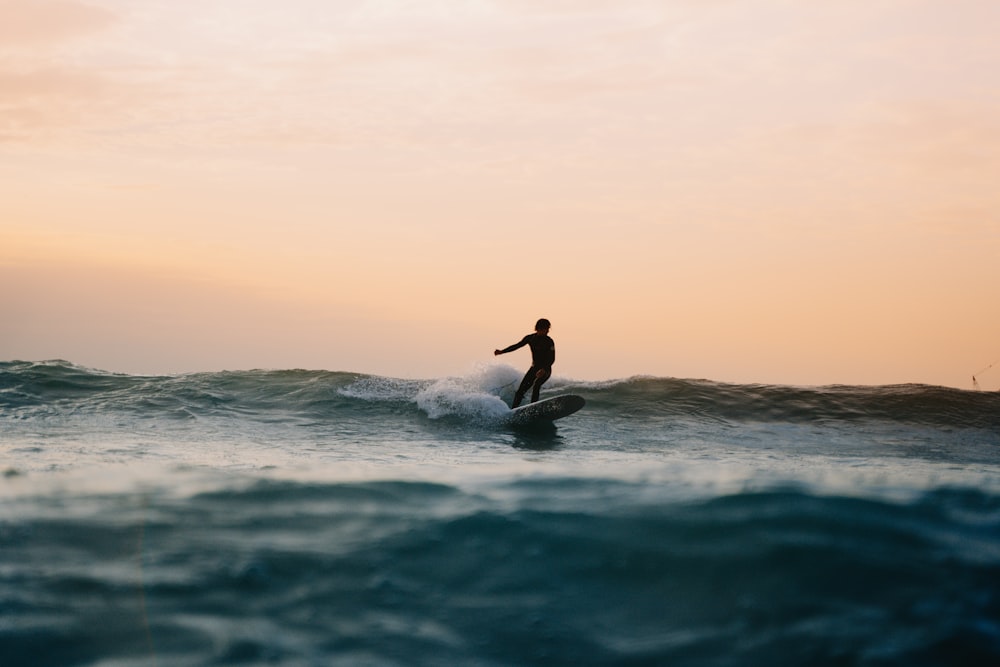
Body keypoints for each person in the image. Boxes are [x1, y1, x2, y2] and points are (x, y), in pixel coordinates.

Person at [494, 318, 555, 408]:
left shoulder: (549, 341)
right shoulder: (530, 338)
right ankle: (513, 411)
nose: (547, 331)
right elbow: (516, 346)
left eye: (548, 329)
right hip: (534, 368)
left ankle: (533, 408)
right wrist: (502, 351)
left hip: (546, 369)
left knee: (536, 384)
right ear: (539, 328)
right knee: (520, 391)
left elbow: (552, 359)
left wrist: (543, 369)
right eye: (546, 329)